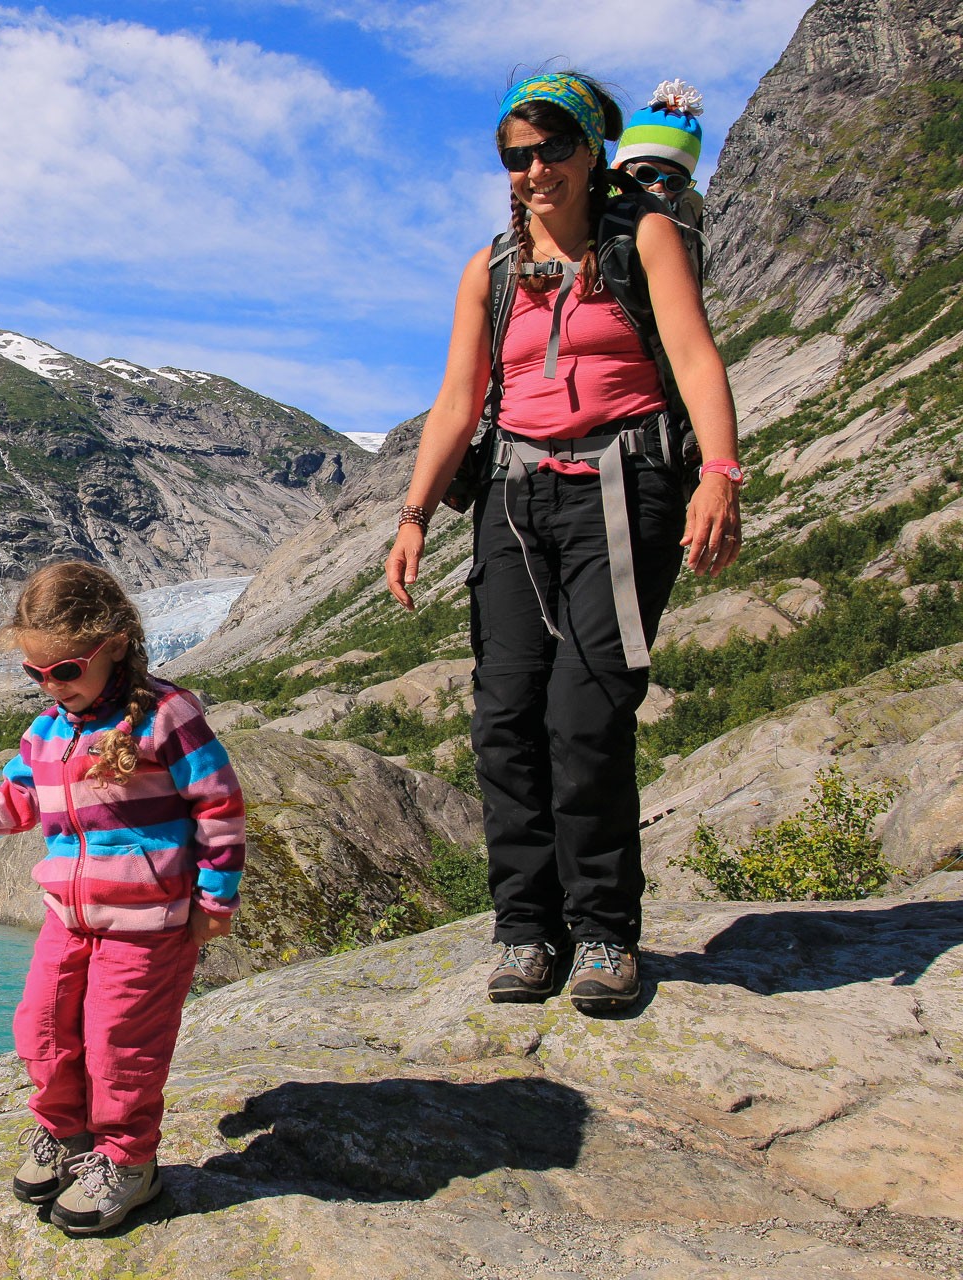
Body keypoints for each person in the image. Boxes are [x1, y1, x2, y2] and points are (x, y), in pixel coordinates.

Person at [385, 72, 744, 1014]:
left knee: (585, 717)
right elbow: (458, 401)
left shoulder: (644, 238)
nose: (534, 170)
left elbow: (694, 357)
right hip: (514, 499)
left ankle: (604, 933)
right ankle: (525, 930)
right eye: (517, 155)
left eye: (551, 150)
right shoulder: (492, 267)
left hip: (625, 491)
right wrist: (414, 516)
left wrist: (719, 473)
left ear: (591, 152)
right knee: (504, 718)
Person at [0, 560, 245, 1235]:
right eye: (36, 673)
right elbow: (14, 803)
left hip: (148, 923)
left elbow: (220, 806)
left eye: (65, 670)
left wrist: (214, 900)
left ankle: (128, 1161)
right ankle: (66, 1134)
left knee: (121, 1046)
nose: (52, 686)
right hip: (68, 918)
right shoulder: (47, 731)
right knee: (42, 1027)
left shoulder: (167, 716)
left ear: (113, 644)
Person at [613, 79, 707, 281]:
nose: (658, 187)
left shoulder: (684, 231)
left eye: (674, 182)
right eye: (646, 174)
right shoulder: (580, 209)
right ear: (620, 169)